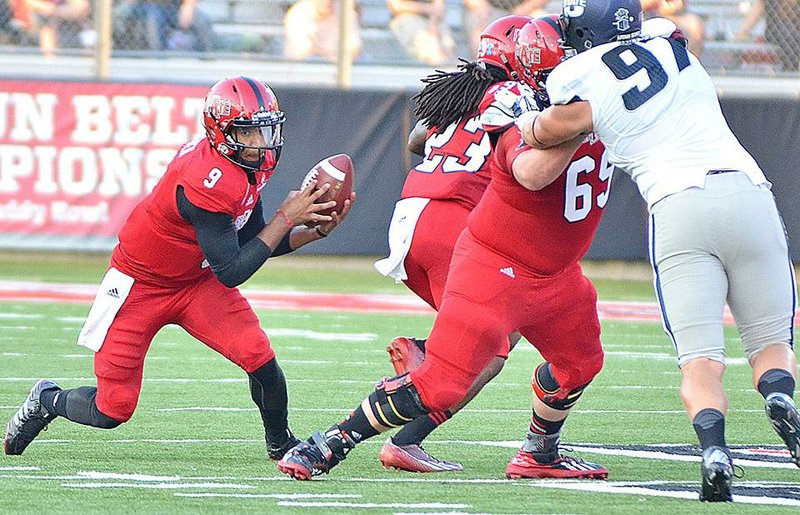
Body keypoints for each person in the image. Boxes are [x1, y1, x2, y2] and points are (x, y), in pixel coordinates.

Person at [277, 15, 613, 481]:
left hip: (538, 263)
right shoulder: (517, 102)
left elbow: (419, 138)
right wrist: (584, 120)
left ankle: (540, 451)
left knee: (581, 361)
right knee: (461, 369)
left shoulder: (507, 94)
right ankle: (332, 442)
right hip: (482, 242)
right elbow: (531, 170)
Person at [514, 0, 799, 502]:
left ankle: (714, 450)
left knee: (701, 361)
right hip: (750, 191)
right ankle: (778, 394)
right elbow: (661, 33)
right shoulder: (672, 45)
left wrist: (523, 119)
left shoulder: (580, 78)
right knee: (773, 345)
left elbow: (543, 133)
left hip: (678, 205)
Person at [3, 77, 356, 462]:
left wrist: (312, 234)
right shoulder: (207, 180)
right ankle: (47, 400)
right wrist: (287, 218)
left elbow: (252, 239)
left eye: (265, 128)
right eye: (250, 131)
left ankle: (281, 445)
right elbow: (233, 269)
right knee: (112, 409)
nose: (261, 141)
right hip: (140, 285)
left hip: (195, 280)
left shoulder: (244, 163)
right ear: (222, 132)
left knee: (261, 360)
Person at [374, 14, 532, 473]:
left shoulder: (461, 91)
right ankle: (407, 439)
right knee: (488, 347)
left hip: (411, 214)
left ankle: (425, 350)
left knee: (508, 319)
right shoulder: (521, 97)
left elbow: (417, 139)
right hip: (453, 225)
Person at [283, 0, 362, 62]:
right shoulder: (298, 14)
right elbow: (306, 53)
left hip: (342, 73)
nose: (328, 1)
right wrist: (338, 56)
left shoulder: (346, 13)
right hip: (303, 72)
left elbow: (355, 49)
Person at [735, 0, 800, 71]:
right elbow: (758, 9)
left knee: (789, 30)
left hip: (793, 31)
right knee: (787, 29)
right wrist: (742, 34)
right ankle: (790, 71)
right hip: (777, 31)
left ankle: (791, 70)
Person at [11, 0, 89, 57]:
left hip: (63, 22)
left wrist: (57, 11)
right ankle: (50, 61)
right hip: (35, 24)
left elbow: (81, 6)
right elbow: (32, 4)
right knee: (46, 23)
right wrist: (53, 10)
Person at [387, 0, 455, 65]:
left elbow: (439, 7)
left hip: (431, 18)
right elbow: (397, 6)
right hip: (407, 17)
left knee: (447, 43)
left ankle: (450, 66)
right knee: (433, 52)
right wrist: (429, 8)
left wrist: (433, 24)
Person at [462, 0, 548, 52]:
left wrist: (526, 8)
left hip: (525, 8)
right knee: (478, 25)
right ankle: (480, 64)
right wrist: (479, 6)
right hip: (492, 9)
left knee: (541, 21)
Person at [138, 0, 216, 53]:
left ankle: (207, 56)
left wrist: (188, 5)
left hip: (177, 6)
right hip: (151, 6)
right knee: (153, 19)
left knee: (202, 19)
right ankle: (158, 58)